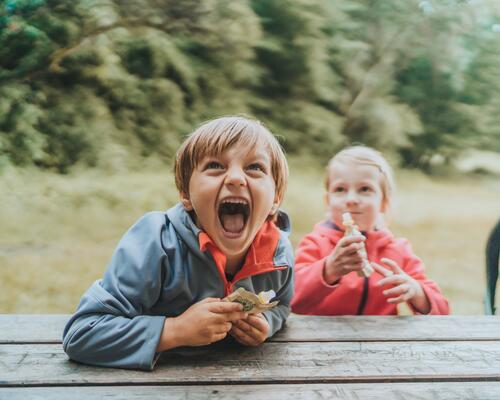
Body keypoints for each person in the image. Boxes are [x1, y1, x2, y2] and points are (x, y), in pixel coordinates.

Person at [63, 116, 294, 370]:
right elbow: (83, 334)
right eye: (216, 165)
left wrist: (266, 323)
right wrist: (175, 331)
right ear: (186, 194)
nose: (236, 178)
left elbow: (282, 305)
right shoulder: (155, 240)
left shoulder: (279, 252)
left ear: (276, 199)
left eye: (255, 168)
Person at [291, 145, 449, 316]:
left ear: (383, 202)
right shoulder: (315, 244)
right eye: (340, 189)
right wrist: (328, 270)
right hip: (323, 340)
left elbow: (443, 312)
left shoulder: (399, 250)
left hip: (380, 340)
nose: (351, 199)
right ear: (327, 201)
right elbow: (293, 301)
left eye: (365, 189)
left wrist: (416, 291)